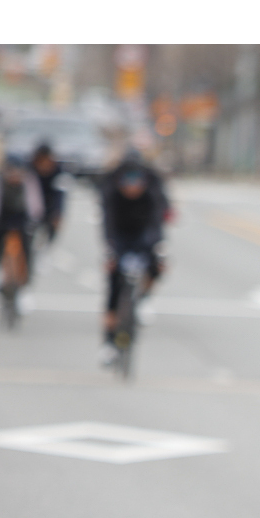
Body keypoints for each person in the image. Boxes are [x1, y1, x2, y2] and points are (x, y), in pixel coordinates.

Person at [99, 151, 169, 363]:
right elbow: (108, 224)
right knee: (113, 286)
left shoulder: (152, 190)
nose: (132, 187)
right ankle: (108, 342)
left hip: (143, 236)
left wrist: (157, 247)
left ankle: (144, 298)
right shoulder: (111, 190)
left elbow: (157, 223)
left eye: (136, 182)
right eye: (127, 182)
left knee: (158, 265)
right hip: (120, 237)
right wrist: (111, 250)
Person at [0, 152, 43, 284]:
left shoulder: (29, 179)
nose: (15, 176)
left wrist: (34, 218)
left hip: (21, 214)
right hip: (3, 213)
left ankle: (27, 275)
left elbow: (34, 201)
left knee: (27, 243)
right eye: (11, 172)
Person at [29, 141, 66, 245]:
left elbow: (60, 194)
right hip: (32, 207)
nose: (44, 164)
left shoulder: (58, 172)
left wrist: (58, 213)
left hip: (51, 206)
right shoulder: (30, 171)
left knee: (50, 236)